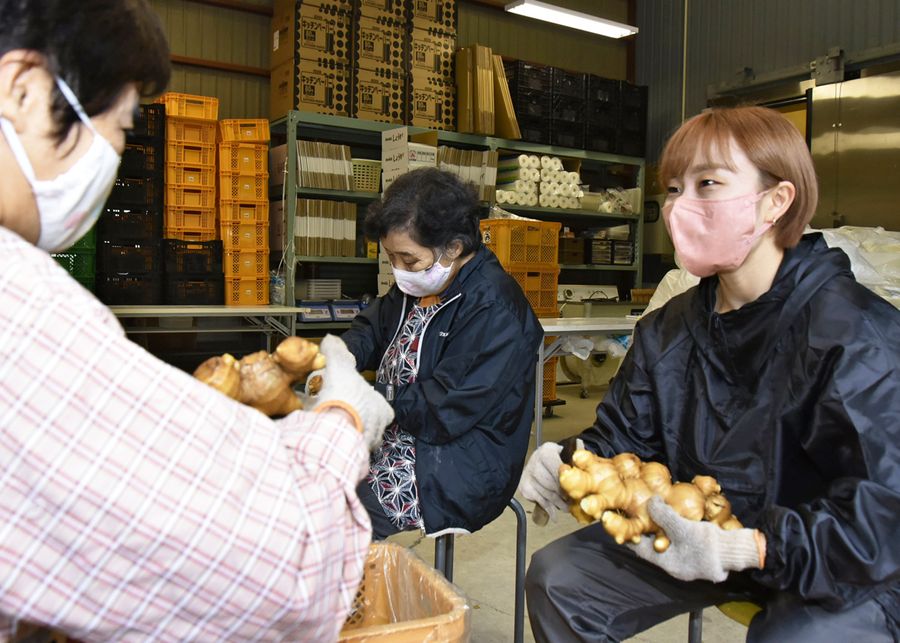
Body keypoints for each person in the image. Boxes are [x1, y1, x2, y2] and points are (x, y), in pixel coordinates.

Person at [0, 1, 393, 640]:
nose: (118, 154)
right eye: (121, 129)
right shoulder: (22, 312)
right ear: (22, 88)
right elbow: (281, 569)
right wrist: (343, 420)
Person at [518, 106, 900, 641]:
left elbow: (884, 514)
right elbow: (625, 439)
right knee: (560, 578)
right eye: (674, 189)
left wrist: (752, 547)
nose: (680, 208)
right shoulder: (669, 330)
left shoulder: (853, 333)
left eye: (709, 183)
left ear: (776, 201)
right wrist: (565, 459)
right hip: (699, 535)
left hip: (835, 560)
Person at [339, 168, 544, 539]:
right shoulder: (422, 284)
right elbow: (373, 327)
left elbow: (445, 406)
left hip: (453, 462)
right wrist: (342, 357)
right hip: (397, 434)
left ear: (453, 247)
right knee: (305, 477)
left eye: (409, 260)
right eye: (391, 258)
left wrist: (374, 397)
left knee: (338, 517)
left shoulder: (495, 309)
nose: (400, 272)